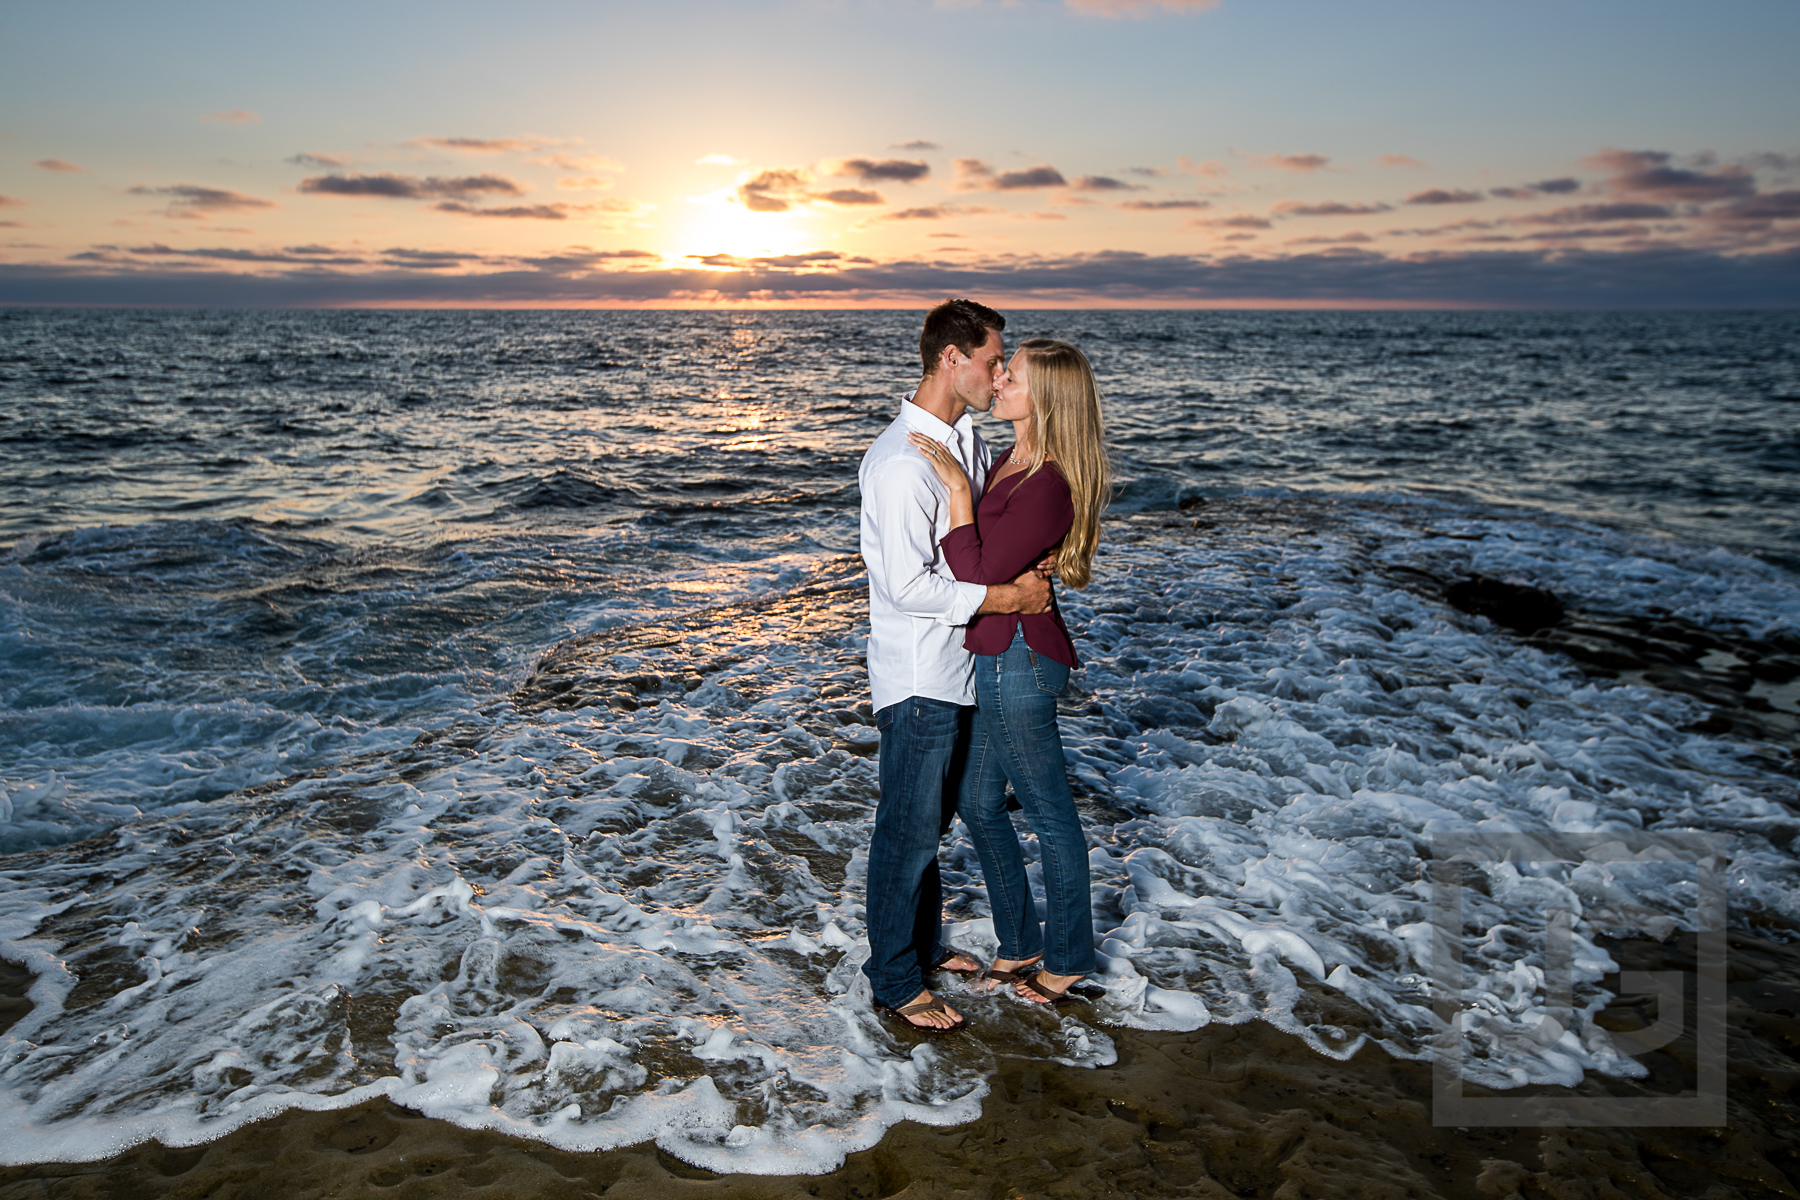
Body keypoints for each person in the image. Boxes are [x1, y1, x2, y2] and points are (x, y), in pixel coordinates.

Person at [858, 299, 1054, 1034]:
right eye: (992, 360)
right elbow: (905, 587)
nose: (999, 373)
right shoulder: (901, 461)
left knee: (929, 827)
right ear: (951, 359)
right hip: (917, 679)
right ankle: (894, 982)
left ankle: (921, 947)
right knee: (905, 834)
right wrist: (1007, 595)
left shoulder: (965, 443)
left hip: (961, 667)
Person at [909, 338, 1110, 1006]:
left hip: (1020, 657)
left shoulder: (1047, 483)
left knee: (1052, 818)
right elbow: (985, 564)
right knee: (976, 801)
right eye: (1002, 370)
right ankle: (1021, 939)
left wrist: (957, 492)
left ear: (1045, 397)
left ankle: (1070, 957)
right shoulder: (1012, 460)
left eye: (1013, 376)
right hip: (997, 654)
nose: (998, 382)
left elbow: (978, 573)